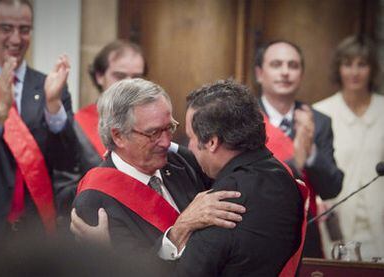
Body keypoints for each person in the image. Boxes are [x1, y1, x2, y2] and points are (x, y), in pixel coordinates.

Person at [72, 78, 246, 273]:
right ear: (118, 136)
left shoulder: (182, 161)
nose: (165, 142)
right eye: (154, 133)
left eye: (169, 128)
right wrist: (179, 231)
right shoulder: (94, 200)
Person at [169, 80, 305, 276]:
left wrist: (180, 228)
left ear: (212, 142)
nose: (189, 147)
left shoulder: (220, 205)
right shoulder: (282, 176)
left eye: (191, 137)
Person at [0, 0, 78, 238]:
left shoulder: (49, 85)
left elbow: (69, 161)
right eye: (6, 28)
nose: (16, 39)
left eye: (24, 29)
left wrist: (53, 108)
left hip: (35, 230)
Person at [254, 40, 344, 258]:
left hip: (305, 233)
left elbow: (332, 188)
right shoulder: (245, 118)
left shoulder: (319, 122)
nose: (285, 72)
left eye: (293, 66)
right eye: (276, 64)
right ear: (259, 73)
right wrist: (296, 158)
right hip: (256, 232)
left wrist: (310, 150)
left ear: (301, 74)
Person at [55, 40, 146, 215]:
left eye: (137, 77)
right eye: (119, 76)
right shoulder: (75, 126)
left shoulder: (153, 127)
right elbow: (63, 195)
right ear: (99, 76)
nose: (129, 84)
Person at [314, 35, 384, 260]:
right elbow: (315, 169)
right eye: (347, 64)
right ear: (339, 69)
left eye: (361, 64)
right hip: (337, 221)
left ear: (372, 69)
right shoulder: (321, 113)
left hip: (380, 221)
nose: (354, 72)